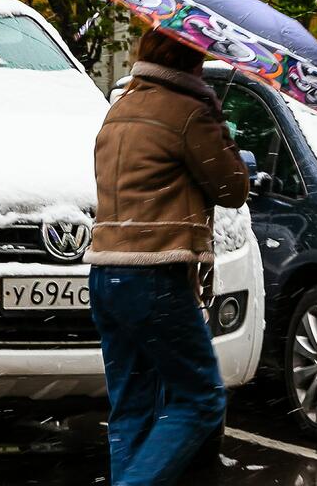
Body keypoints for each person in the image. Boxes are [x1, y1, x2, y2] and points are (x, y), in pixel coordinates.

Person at [86, 29, 250, 486]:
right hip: (154, 275)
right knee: (200, 399)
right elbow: (231, 189)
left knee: (132, 405)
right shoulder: (189, 112)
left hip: (105, 272)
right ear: (193, 61)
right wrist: (221, 128)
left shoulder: (121, 107)